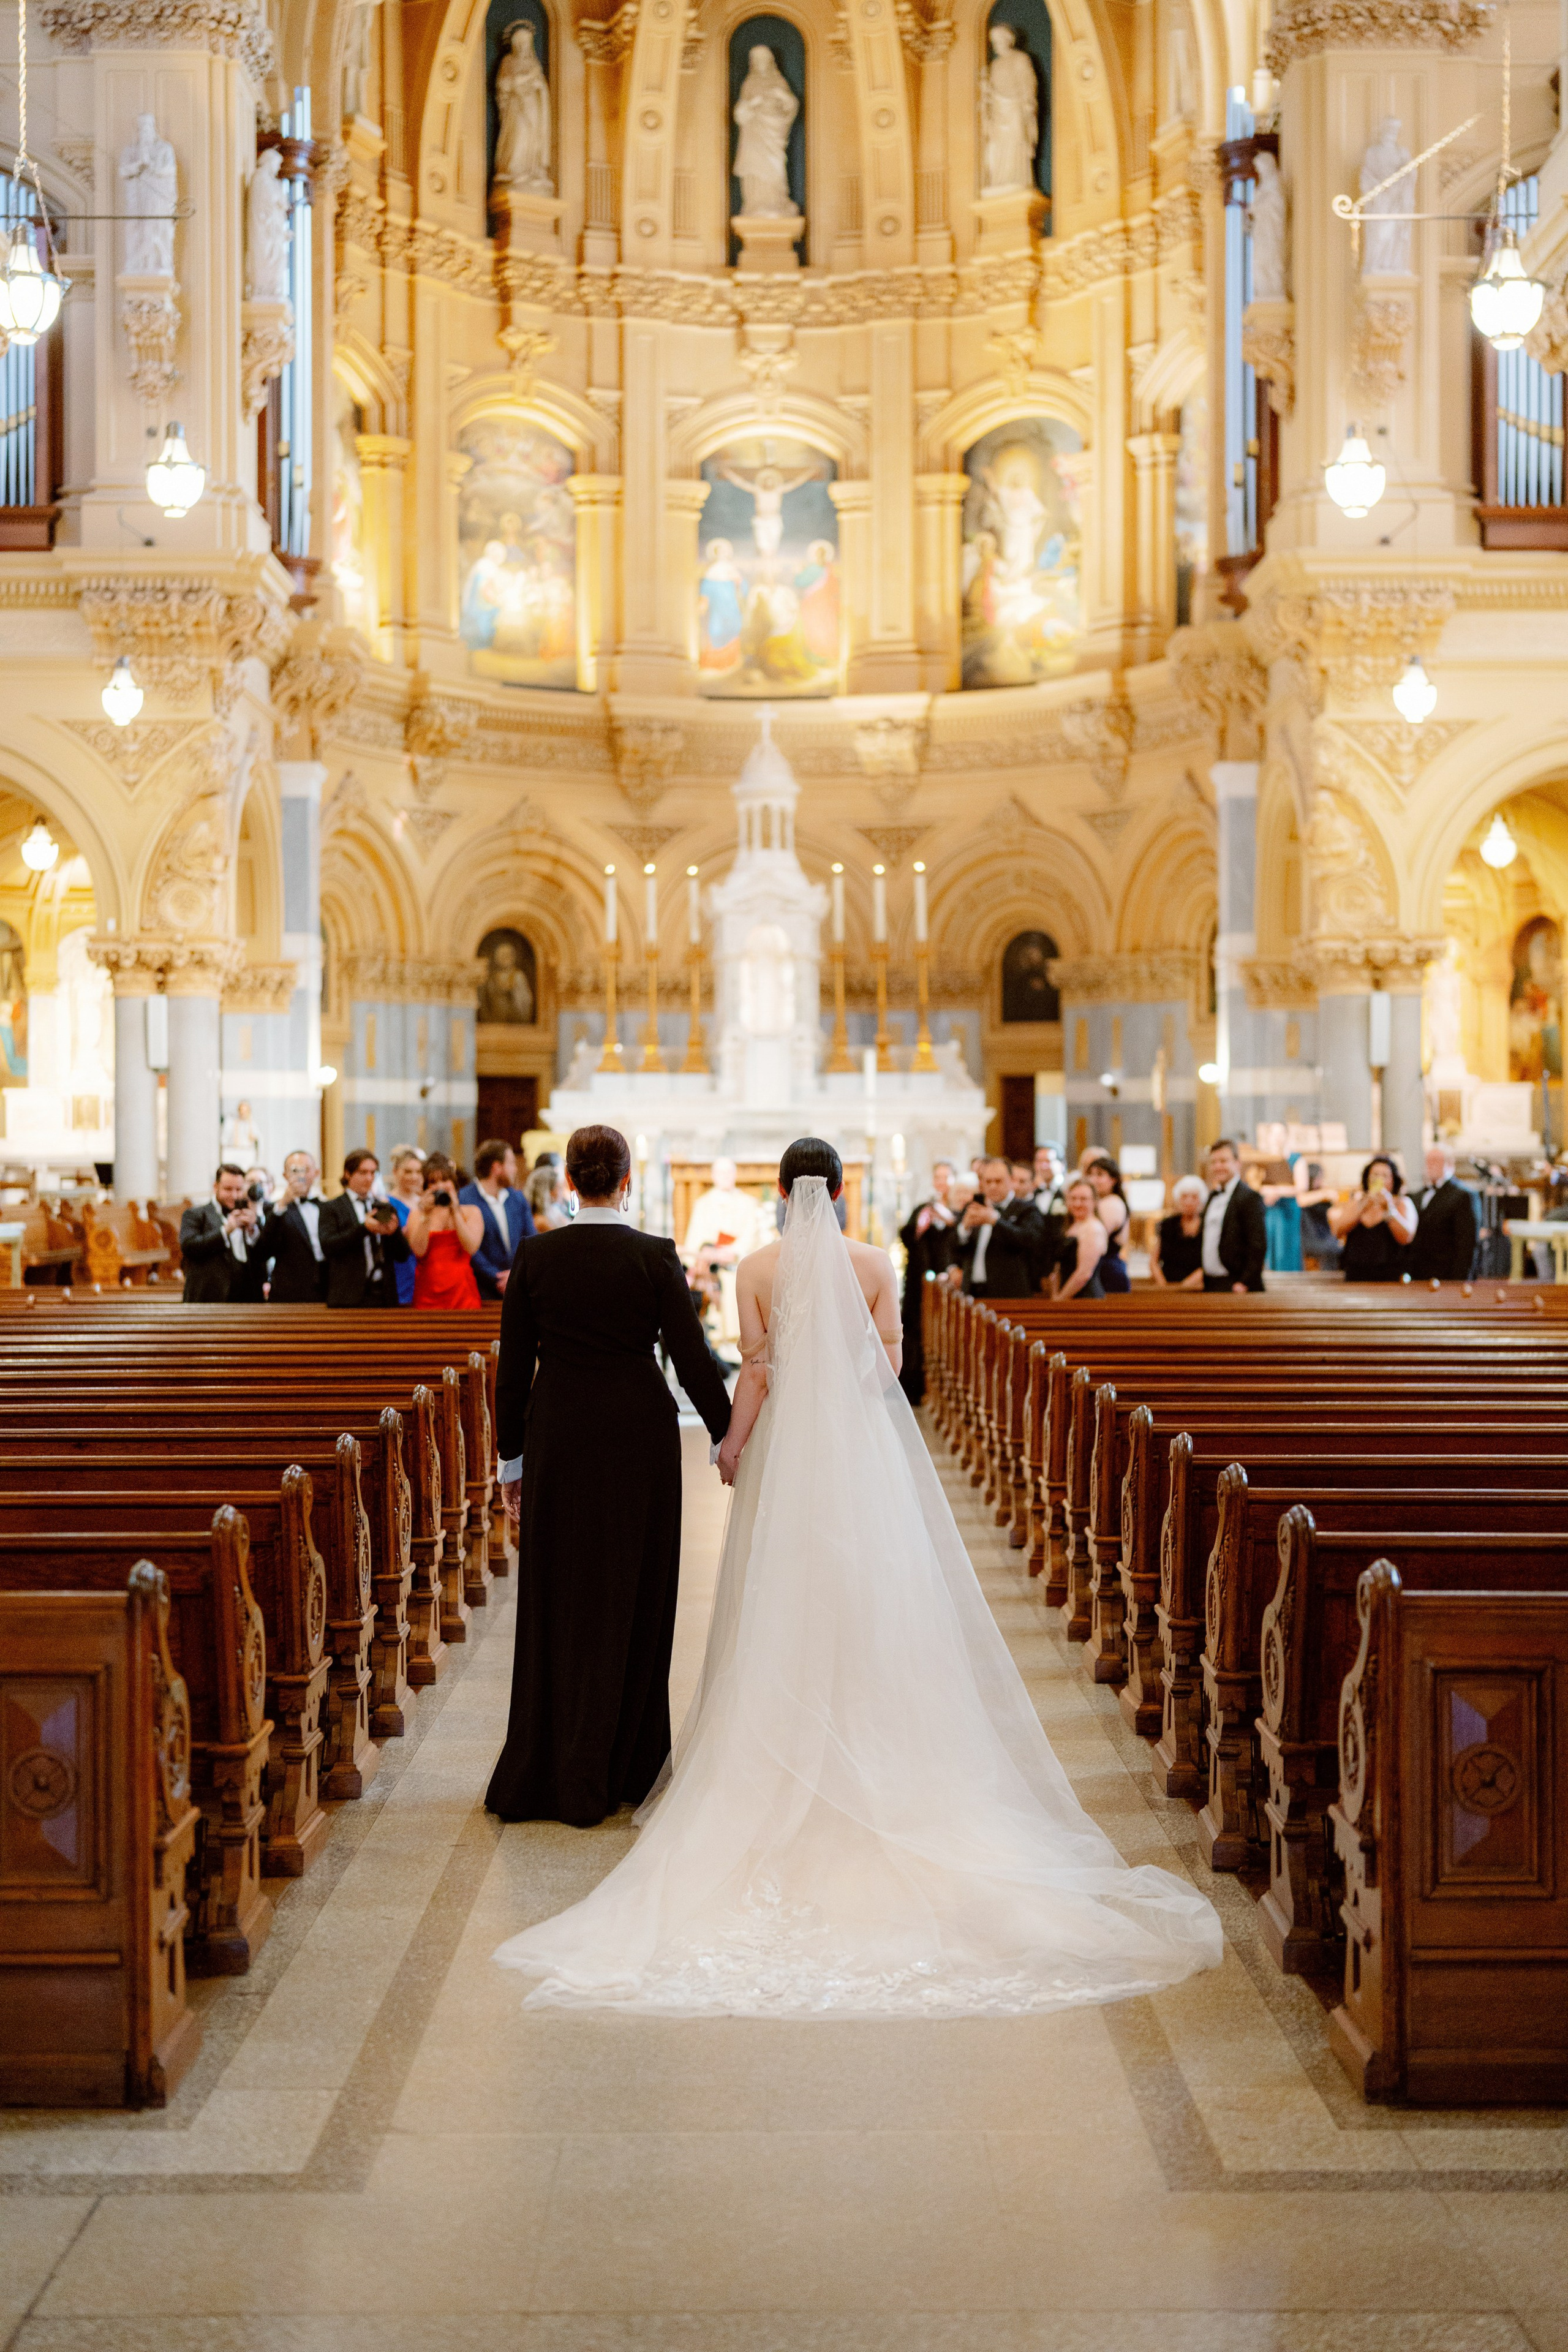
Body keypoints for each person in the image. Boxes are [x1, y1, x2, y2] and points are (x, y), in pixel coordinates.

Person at [491, 1137, 1221, 2015]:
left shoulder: (752, 1268)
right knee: (875, 1591)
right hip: (857, 1452)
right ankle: (870, 1746)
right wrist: (820, 1407)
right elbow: (888, 1371)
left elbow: (749, 1369)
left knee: (773, 1595)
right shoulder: (875, 1262)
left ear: (776, 1188)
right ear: (840, 1189)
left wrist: (734, 1441)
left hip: (724, 1445)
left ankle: (736, 1749)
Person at [485, 1123, 733, 1827]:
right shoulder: (653, 1255)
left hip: (559, 1429)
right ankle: (630, 1763)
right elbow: (693, 1359)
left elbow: (511, 1375)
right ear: (625, 1181)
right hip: (637, 1434)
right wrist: (729, 1440)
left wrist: (512, 1463)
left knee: (559, 1593)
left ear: (568, 1181)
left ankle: (546, 1760)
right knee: (635, 1587)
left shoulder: (535, 1256)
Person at [897, 1159, 962, 1404]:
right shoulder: (924, 1207)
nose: (942, 1182)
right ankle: (911, 1386)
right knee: (913, 1326)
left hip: (945, 1280)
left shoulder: (958, 1209)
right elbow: (907, 1236)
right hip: (918, 1278)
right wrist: (919, 1228)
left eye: (946, 1177)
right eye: (938, 1177)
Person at [320, 1148, 410, 1308]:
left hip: (384, 1294)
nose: (369, 1178)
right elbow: (328, 1247)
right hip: (348, 1296)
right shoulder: (332, 1207)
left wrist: (394, 1232)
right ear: (348, 1174)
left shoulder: (383, 1206)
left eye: (373, 1173)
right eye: (363, 1173)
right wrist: (364, 1229)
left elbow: (402, 1255)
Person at [949, 1156, 1039, 1298]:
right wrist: (964, 1228)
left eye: (998, 1181)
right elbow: (954, 1246)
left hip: (1008, 1293)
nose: (993, 1186)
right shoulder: (973, 1207)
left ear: (1011, 1181)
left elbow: (1028, 1240)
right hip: (972, 1290)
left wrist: (995, 1221)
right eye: (988, 1181)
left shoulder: (1026, 1209)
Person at [460, 1137, 537, 1300]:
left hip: (518, 1288)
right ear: (497, 1167)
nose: (515, 1170)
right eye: (511, 1164)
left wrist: (516, 1276)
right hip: (482, 1290)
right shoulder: (465, 1199)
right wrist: (497, 1277)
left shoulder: (518, 1199)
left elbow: (531, 1241)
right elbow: (471, 1249)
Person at [405, 1152, 484, 1307]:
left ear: (454, 1183)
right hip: (428, 1293)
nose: (440, 1186)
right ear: (426, 1188)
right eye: (433, 1182)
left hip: (463, 1293)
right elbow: (419, 1251)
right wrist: (426, 1216)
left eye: (445, 1180)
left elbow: (471, 1247)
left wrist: (455, 1211)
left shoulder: (471, 1212)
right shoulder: (417, 1215)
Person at [179, 1163, 260, 1302]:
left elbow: (263, 1254)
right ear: (216, 1187)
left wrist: (253, 1229)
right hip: (209, 1299)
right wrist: (226, 1230)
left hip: (248, 1298)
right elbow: (189, 1247)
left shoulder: (252, 1215)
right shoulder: (195, 1214)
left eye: (239, 1189)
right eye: (228, 1189)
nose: (234, 1195)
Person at [1332, 1153, 1416, 1283]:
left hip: (1390, 1274)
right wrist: (1362, 1206)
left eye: (1384, 1176)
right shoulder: (1357, 1202)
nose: (1379, 1180)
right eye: (1375, 1175)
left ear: (1393, 1180)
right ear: (1367, 1177)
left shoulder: (1402, 1203)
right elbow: (1337, 1231)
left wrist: (1389, 1210)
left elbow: (1407, 1237)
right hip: (1357, 1273)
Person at [261, 1149, 328, 1303]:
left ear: (316, 1173)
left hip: (326, 1290)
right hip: (290, 1293)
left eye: (306, 1170)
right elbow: (265, 1249)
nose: (301, 1175)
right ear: (285, 1175)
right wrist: (282, 1204)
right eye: (295, 1170)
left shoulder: (326, 1206)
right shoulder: (275, 1209)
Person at [1201, 1138, 1267, 1293]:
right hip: (1211, 1283)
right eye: (1214, 1162)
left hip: (1236, 1284)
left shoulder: (1250, 1198)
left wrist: (1244, 1282)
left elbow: (1258, 1245)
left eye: (1223, 1161)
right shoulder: (1212, 1197)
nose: (1218, 1167)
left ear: (1238, 1163)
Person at [1407, 1143, 1479, 1282]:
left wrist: (1459, 1281)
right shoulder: (1416, 1196)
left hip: (1446, 1277)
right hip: (1417, 1277)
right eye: (1428, 1161)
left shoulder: (1464, 1196)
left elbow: (1467, 1246)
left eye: (1436, 1161)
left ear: (1450, 1164)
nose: (1431, 1165)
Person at [1049, 1175, 1107, 1299]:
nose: (1077, 1203)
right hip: (1068, 1297)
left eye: (1084, 1199)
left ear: (1095, 1202)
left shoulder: (1093, 1228)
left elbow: (1084, 1274)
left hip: (1086, 1299)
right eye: (1073, 1198)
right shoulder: (1072, 1226)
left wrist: (1060, 1300)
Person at [383, 1145, 426, 1305]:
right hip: (401, 1269)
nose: (414, 1177)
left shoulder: (425, 1203)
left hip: (425, 1268)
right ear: (395, 1172)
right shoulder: (386, 1203)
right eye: (408, 1171)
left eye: (418, 1172)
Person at [1084, 1156, 1131, 1293]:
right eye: (1090, 1174)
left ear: (1113, 1180)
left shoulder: (1112, 1203)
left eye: (1099, 1175)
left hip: (1108, 1272)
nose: (1093, 1180)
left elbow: (1092, 1237)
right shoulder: (1099, 1202)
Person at [1150, 1175, 1207, 1289]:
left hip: (1197, 1288)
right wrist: (1164, 1287)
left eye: (1194, 1197)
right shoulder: (1167, 1225)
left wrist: (1184, 1287)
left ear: (1201, 1200)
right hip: (1168, 1286)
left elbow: (1210, 1263)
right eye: (1184, 1197)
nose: (1189, 1201)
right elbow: (1154, 1262)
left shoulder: (1208, 1225)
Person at [526, 1158, 568, 1230]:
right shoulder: (541, 1221)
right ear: (549, 1191)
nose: (562, 1192)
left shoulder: (554, 1210)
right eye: (559, 1188)